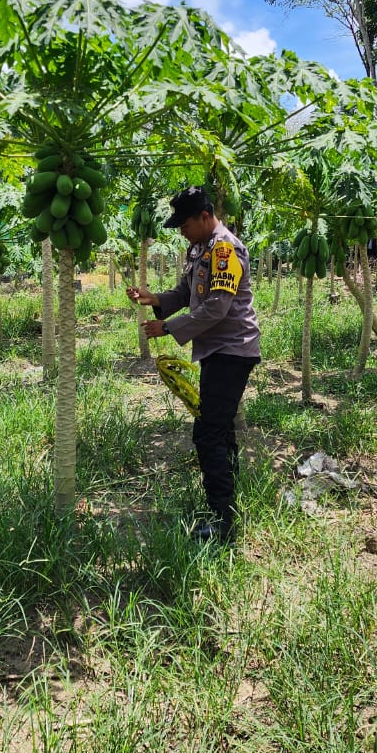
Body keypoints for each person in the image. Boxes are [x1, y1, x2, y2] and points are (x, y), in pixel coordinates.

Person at [126, 186, 261, 544]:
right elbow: (187, 293)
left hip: (233, 349)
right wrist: (156, 300)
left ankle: (223, 523)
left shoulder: (224, 250)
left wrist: (168, 327)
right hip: (218, 350)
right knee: (220, 430)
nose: (181, 231)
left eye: (184, 224)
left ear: (204, 216)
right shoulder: (200, 248)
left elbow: (217, 307)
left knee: (208, 434)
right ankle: (229, 506)